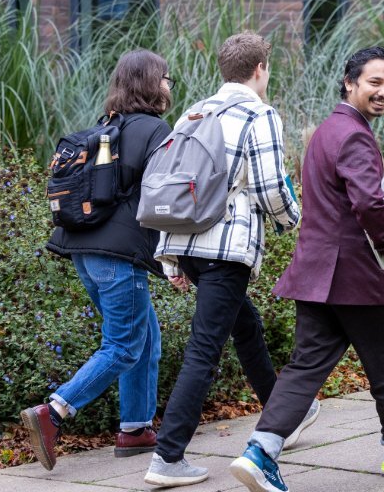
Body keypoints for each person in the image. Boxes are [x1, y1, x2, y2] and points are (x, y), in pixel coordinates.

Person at [230, 46, 384, 492]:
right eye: (374, 83)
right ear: (349, 82)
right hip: (356, 273)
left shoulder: (326, 131)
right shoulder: (356, 136)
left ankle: (260, 450)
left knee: (306, 365)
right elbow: (368, 200)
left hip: (317, 271)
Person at [144, 32, 311, 488]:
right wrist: (294, 220)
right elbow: (270, 187)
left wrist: (170, 256)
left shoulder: (194, 111)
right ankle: (167, 456)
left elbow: (171, 185)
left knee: (247, 328)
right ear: (260, 70)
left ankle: (285, 413)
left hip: (192, 247)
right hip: (225, 250)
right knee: (205, 351)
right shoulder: (259, 114)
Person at [20, 50, 174, 471]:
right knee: (123, 345)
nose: (168, 86)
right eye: (165, 79)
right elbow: (165, 197)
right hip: (118, 256)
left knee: (145, 339)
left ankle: (136, 429)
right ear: (149, 84)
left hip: (85, 251)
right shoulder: (156, 129)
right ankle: (54, 412)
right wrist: (176, 254)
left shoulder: (108, 127)